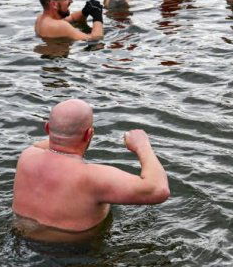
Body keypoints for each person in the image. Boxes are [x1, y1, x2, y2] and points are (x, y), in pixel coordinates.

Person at [12, 98, 170, 242]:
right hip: (74, 253)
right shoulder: (93, 177)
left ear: (47, 128)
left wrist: (66, 132)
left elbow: (57, 143)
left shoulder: (27, 155)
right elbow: (158, 189)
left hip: (21, 240)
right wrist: (142, 146)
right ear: (89, 134)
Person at [35, 0, 103, 41]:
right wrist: (98, 17)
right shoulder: (61, 26)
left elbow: (72, 18)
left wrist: (85, 11)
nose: (71, 1)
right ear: (54, 4)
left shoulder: (41, 19)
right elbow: (95, 38)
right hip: (58, 55)